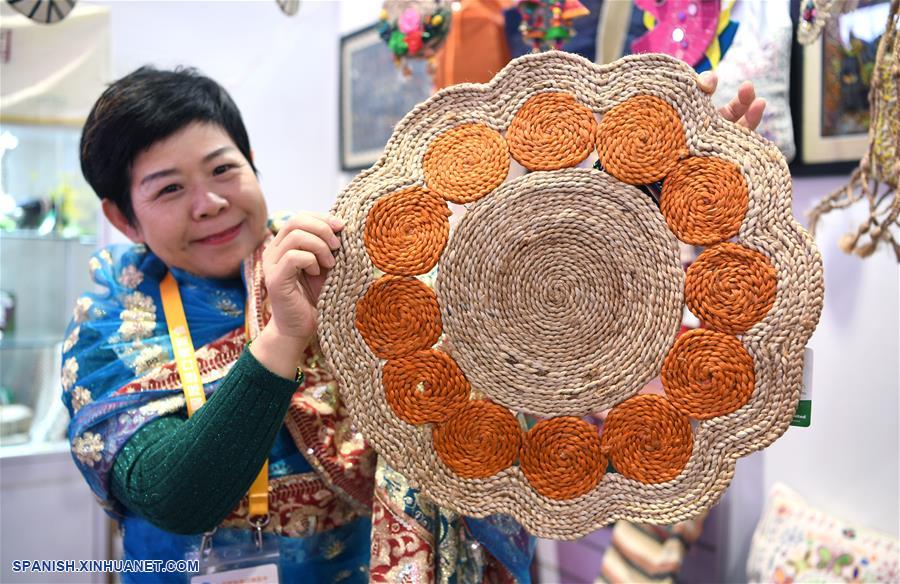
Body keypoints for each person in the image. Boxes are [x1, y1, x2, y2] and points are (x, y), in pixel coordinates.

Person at [61, 65, 765, 583]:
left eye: (223, 169)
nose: (211, 203)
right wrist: (280, 340)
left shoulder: (342, 261)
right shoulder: (109, 328)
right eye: (170, 189)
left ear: (252, 165)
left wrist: (654, 184)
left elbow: (515, 295)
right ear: (122, 216)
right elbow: (177, 498)